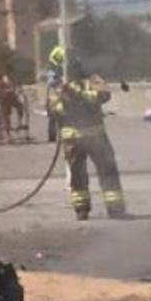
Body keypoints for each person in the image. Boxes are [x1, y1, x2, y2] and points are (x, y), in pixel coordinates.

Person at [49, 50, 126, 220]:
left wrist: (80, 96)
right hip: (74, 138)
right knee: (77, 176)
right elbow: (53, 109)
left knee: (108, 170)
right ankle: (81, 209)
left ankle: (115, 208)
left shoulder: (92, 79)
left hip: (95, 135)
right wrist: (65, 102)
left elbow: (104, 95)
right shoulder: (59, 85)